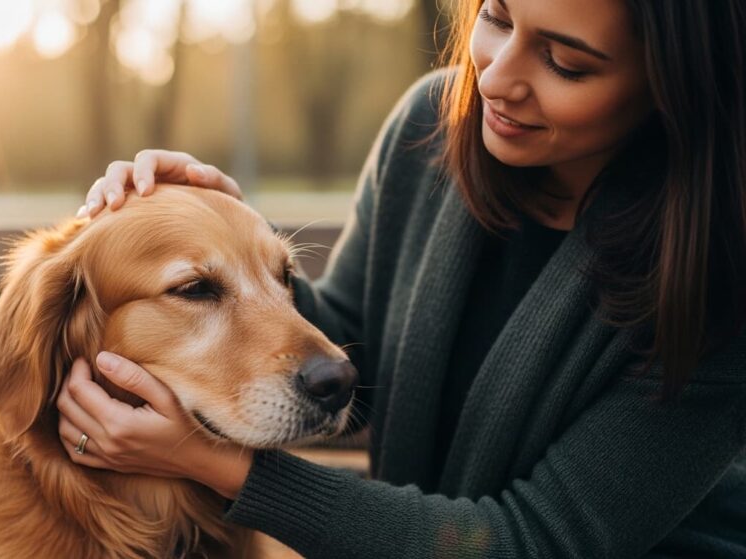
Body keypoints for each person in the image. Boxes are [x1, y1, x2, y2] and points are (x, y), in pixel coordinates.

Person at [54, 0, 746, 556]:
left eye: (565, 62)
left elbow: (528, 542)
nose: (495, 78)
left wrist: (221, 467)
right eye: (497, 18)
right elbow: (348, 349)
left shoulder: (723, 277)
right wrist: (229, 238)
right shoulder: (433, 125)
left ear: (672, 84)